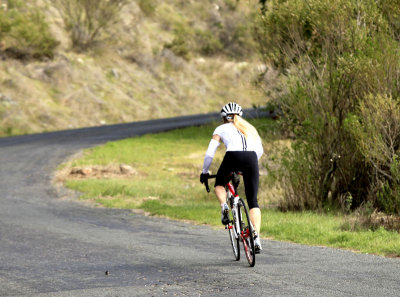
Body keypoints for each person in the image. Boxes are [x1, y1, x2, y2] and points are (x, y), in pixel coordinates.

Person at [200, 102, 264, 253]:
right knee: (253, 202)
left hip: (232, 156)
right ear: (240, 116)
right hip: (252, 158)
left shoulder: (221, 128)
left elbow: (210, 153)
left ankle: (224, 206)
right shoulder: (250, 128)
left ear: (224, 118)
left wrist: (205, 171)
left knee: (219, 185)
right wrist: (248, 166)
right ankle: (256, 238)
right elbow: (259, 151)